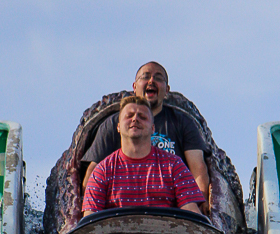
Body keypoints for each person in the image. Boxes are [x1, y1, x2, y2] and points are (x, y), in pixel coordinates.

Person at [82, 61, 210, 210]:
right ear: (134, 87)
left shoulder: (175, 160)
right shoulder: (104, 166)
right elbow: (92, 176)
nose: (151, 81)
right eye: (145, 77)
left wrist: (201, 203)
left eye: (158, 78)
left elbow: (198, 169)